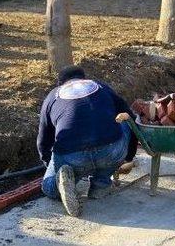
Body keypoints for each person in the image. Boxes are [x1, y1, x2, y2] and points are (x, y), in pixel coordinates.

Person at [37, 66, 137, 216]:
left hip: (72, 156)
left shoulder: (53, 96)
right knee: (124, 121)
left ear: (60, 83)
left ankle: (58, 184)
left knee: (48, 185)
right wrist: (127, 157)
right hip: (110, 151)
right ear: (83, 78)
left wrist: (50, 164)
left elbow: (44, 140)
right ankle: (101, 184)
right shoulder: (100, 86)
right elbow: (130, 117)